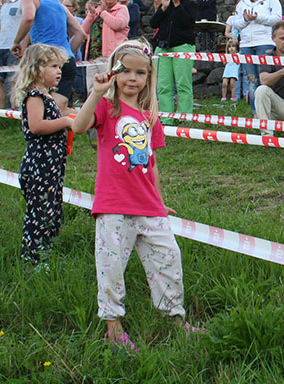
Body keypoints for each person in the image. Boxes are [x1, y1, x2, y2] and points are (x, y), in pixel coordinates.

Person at [71, 40, 199, 351]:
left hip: (149, 207)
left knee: (169, 261)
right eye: (125, 70)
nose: (132, 78)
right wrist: (97, 92)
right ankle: (113, 328)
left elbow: (152, 164)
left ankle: (175, 319)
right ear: (114, 72)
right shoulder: (107, 106)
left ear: (148, 78)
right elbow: (77, 126)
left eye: (140, 73)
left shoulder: (149, 116)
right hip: (114, 206)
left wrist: (159, 199)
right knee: (111, 268)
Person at [10, 43, 72, 267]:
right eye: (53, 66)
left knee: (51, 207)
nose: (59, 71)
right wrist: (65, 122)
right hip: (40, 164)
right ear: (36, 69)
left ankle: (46, 250)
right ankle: (33, 258)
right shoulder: (35, 96)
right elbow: (35, 126)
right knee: (39, 210)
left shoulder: (48, 95)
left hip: (52, 163)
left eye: (60, 66)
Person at [12, 0, 86, 112]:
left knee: (42, 108)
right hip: (66, 59)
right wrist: (66, 54)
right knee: (60, 108)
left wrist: (17, 42)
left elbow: (28, 18)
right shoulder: (60, 5)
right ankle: (83, 125)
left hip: (44, 59)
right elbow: (81, 34)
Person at [225, 0, 282, 115]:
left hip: (265, 42)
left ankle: (270, 111)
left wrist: (257, 18)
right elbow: (236, 23)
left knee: (266, 78)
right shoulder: (242, 1)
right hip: (246, 45)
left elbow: (277, 18)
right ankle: (255, 112)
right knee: (251, 80)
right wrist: (245, 20)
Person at [150, 0, 196, 122]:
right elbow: (153, 23)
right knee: (163, 86)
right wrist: (162, 7)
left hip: (182, 46)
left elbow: (187, 22)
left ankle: (184, 117)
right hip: (163, 49)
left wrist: (176, 3)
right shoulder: (165, 6)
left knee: (183, 84)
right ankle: (166, 118)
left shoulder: (190, 4)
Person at [82, 0, 130, 92]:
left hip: (109, 55)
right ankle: (93, 109)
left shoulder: (122, 9)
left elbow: (118, 24)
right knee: (92, 88)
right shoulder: (97, 11)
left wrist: (103, 12)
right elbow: (84, 30)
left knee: (109, 86)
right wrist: (91, 14)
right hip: (92, 56)